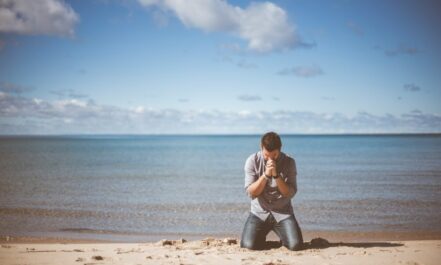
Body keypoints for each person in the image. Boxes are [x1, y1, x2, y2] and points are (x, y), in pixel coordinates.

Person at [240, 131, 303, 251]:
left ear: (280, 149)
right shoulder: (252, 160)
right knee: (247, 246)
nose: (270, 159)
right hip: (259, 212)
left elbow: (290, 193)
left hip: (283, 212)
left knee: (295, 245)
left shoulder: (289, 162)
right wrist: (265, 175)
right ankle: (259, 237)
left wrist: (276, 176)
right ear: (261, 148)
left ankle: (284, 236)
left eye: (273, 155)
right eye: (266, 155)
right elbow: (251, 193)